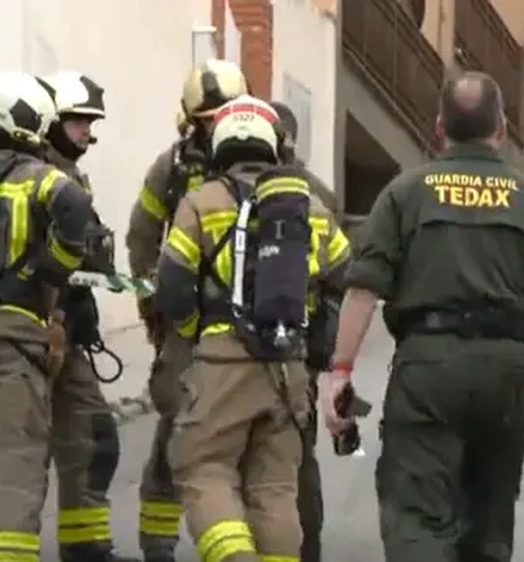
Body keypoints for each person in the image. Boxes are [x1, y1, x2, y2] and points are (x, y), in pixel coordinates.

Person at [321, 71, 524, 562]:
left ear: (439, 127)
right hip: (508, 377)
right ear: (501, 128)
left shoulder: (404, 194)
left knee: (417, 520)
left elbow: (364, 288)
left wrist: (341, 371)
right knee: (488, 525)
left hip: (427, 374)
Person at [158, 94, 319, 561]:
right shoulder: (306, 205)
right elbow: (344, 270)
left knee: (203, 467)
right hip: (288, 367)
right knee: (275, 486)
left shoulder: (202, 200)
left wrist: (191, 330)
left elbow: (172, 282)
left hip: (222, 361)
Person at [0, 71, 94, 562]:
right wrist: (50, 266)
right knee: (16, 454)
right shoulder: (41, 177)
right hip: (12, 334)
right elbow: (74, 207)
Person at [126, 59, 249, 562]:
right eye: (210, 117)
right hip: (189, 321)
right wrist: (153, 304)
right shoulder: (172, 169)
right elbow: (142, 235)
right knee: (177, 429)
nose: (219, 125)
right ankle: (159, 539)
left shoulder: (259, 163)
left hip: (235, 322)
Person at [34, 71, 137, 562]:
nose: (88, 135)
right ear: (51, 121)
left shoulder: (69, 176)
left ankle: (84, 546)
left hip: (69, 330)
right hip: (39, 331)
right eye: (78, 123)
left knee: (95, 435)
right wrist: (51, 322)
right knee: (24, 448)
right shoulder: (40, 177)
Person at [268, 99, 351, 562]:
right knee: (297, 461)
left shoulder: (217, 189)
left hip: (225, 353)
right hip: (298, 352)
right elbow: (343, 274)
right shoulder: (317, 196)